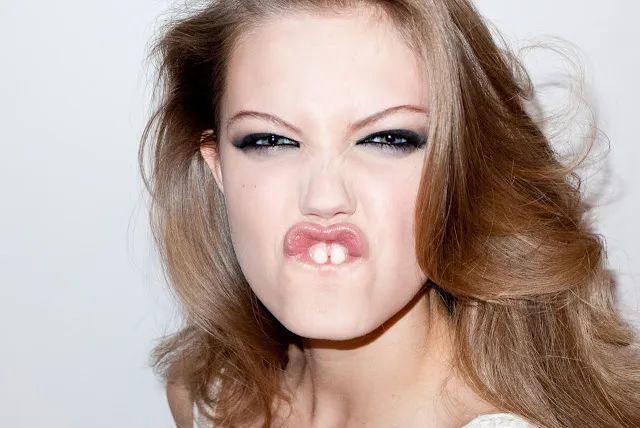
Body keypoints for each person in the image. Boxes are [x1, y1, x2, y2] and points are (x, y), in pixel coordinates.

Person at [139, 0, 640, 426]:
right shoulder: (211, 395)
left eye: (387, 139)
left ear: (461, 167)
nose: (324, 197)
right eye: (271, 140)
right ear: (217, 166)